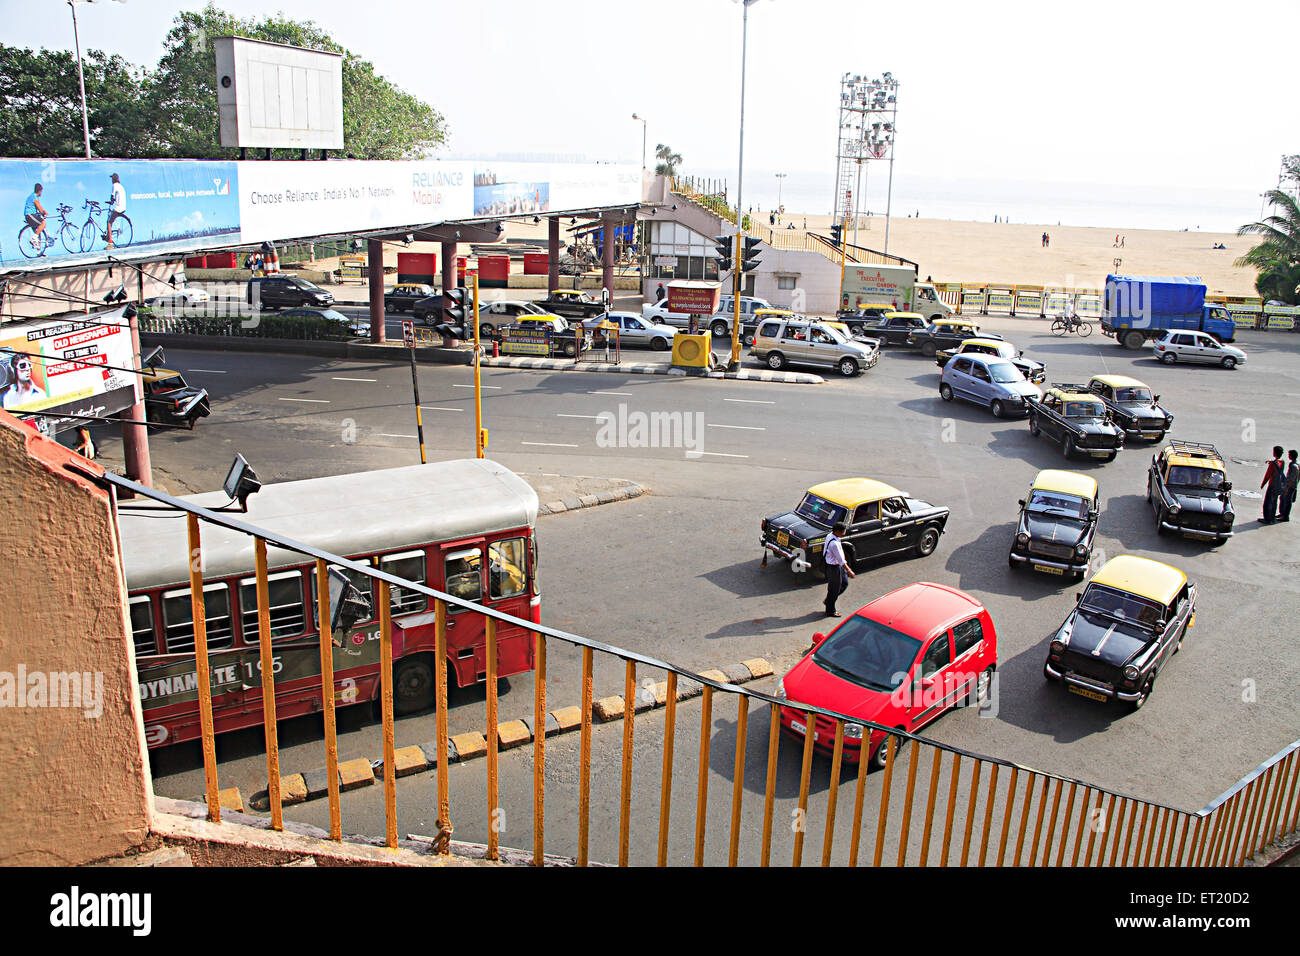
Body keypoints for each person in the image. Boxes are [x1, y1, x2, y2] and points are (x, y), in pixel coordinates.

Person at [822, 523, 855, 616]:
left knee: (844, 583)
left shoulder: (831, 536)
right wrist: (849, 571)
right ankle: (830, 610)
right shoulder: (834, 544)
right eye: (843, 530)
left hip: (837, 566)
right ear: (838, 531)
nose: (845, 532)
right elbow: (841, 560)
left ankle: (828, 600)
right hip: (834, 567)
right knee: (834, 589)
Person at [1261, 445, 1286, 523]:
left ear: (1274, 453)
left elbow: (1268, 475)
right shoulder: (1282, 462)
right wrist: (1271, 461)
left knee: (1268, 503)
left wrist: (1263, 484)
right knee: (1274, 502)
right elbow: (1277, 463)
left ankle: (1267, 519)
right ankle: (1272, 518)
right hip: (1278, 486)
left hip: (1272, 485)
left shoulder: (1272, 464)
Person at [104, 173, 126, 249]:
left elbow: (112, 195)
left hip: (119, 207)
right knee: (111, 218)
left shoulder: (115, 185)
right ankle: (108, 236)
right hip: (123, 206)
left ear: (113, 179)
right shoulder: (121, 186)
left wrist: (111, 200)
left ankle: (110, 243)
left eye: (112, 179)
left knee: (109, 223)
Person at [24, 183, 48, 252]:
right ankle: (33, 239)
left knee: (38, 232)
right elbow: (38, 206)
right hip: (30, 215)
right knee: (43, 223)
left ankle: (39, 252)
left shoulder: (33, 196)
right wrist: (44, 212)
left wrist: (42, 213)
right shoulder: (34, 196)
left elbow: (37, 207)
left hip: (30, 215)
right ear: (39, 190)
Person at [1281, 450, 1299, 522]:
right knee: (1284, 499)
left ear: (1291, 456)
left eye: (1289, 454)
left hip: (1290, 486)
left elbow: (1291, 478)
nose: (1288, 456)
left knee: (1287, 501)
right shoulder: (1297, 463)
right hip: (1293, 485)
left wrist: (1287, 488)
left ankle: (1285, 516)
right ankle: (1283, 514)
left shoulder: (1293, 466)